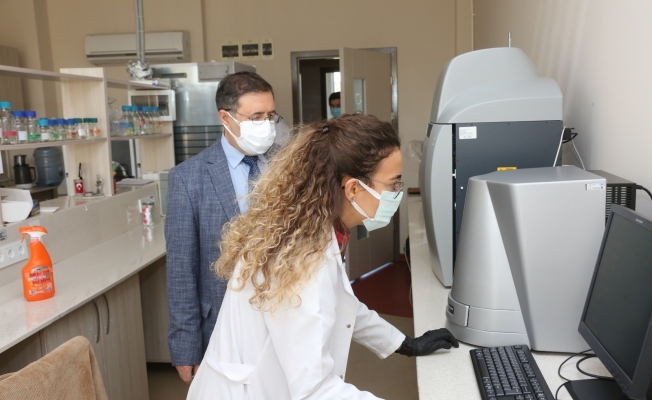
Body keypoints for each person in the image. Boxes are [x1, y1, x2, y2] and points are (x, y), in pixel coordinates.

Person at [187, 114, 459, 399]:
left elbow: (343, 303)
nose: (398, 192)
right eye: (394, 184)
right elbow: (316, 390)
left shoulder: (311, 226)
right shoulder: (302, 259)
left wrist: (404, 344)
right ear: (353, 188)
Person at [165, 71, 279, 384]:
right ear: (225, 118)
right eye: (256, 117)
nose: (266, 125)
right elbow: (181, 270)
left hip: (282, 315)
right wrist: (185, 347)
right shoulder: (188, 178)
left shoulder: (285, 165)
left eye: (270, 116)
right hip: (223, 321)